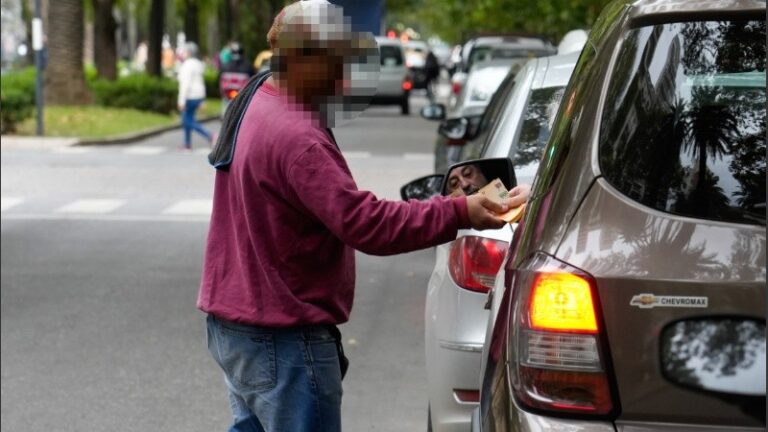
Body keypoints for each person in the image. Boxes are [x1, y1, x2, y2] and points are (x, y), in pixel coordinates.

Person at [198, 2, 515, 431]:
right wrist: (463, 210)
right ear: (302, 58)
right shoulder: (297, 137)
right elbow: (367, 225)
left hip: (236, 326)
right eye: (337, 62)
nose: (344, 78)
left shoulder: (257, 97)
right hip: (282, 337)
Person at [177, 42, 213, 150]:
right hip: (199, 95)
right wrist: (203, 99)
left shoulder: (187, 65)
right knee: (189, 118)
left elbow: (185, 84)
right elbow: (201, 82)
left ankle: (210, 135)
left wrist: (181, 101)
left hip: (190, 96)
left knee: (186, 120)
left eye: (184, 51)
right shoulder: (198, 64)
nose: (182, 53)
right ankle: (187, 144)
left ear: (188, 52)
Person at [219, 42, 256, 116]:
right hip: (242, 92)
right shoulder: (248, 65)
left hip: (228, 93)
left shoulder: (224, 65)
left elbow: (219, 79)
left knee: (225, 104)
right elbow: (253, 78)